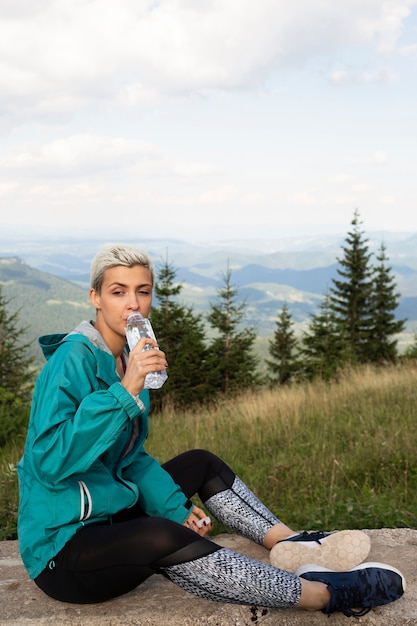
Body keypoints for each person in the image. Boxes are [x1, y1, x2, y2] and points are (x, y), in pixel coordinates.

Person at [17, 243, 405, 617]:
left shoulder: (128, 358)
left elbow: (128, 459)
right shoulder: (71, 362)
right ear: (96, 297)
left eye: (143, 291)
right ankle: (327, 594)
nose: (133, 303)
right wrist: (124, 393)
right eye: (118, 292)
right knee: (161, 535)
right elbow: (49, 462)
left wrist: (176, 507)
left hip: (110, 514)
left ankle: (293, 546)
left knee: (200, 463)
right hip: (63, 548)